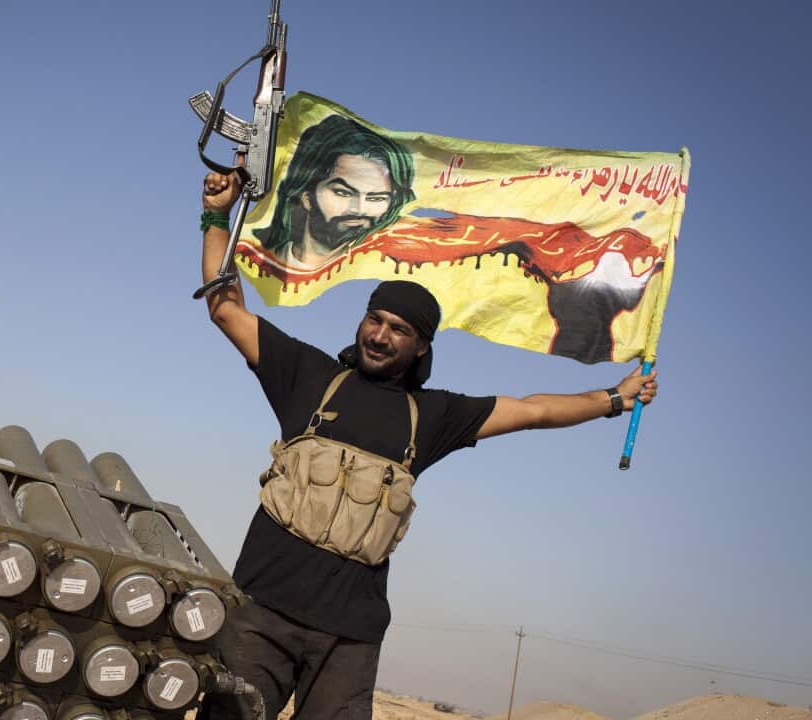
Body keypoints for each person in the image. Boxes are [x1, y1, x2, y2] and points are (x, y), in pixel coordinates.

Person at [197, 170, 658, 720]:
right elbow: (226, 308)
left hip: (349, 638)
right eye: (375, 319)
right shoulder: (309, 376)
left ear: (420, 347)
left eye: (398, 329)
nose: (379, 335)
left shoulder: (433, 416)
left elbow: (532, 410)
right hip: (261, 611)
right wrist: (216, 215)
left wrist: (613, 397)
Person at [255, 114, 416, 269]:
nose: (359, 209)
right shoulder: (260, 261)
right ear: (307, 197)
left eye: (376, 198)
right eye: (343, 193)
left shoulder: (387, 272)